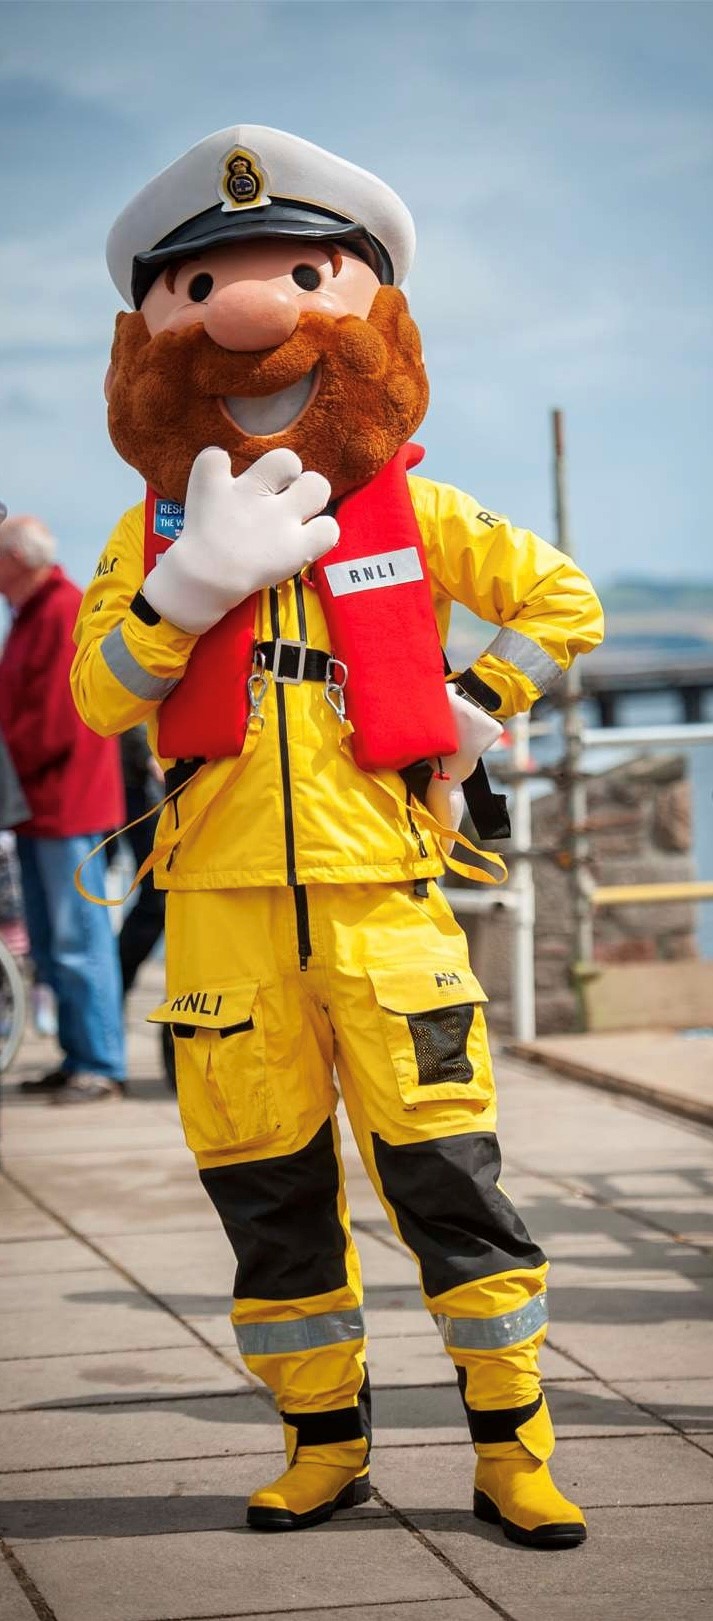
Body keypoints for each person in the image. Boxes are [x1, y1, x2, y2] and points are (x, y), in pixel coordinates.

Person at [71, 126, 604, 1542]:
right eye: (203, 292)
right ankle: (322, 1444)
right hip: (223, 911)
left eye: (303, 279)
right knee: (270, 1203)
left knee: (452, 1186)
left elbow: (562, 602)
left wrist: (473, 696)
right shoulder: (147, 534)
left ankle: (513, 1448)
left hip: (386, 902)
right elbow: (96, 687)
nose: (254, 322)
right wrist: (183, 593)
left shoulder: (417, 511)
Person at [0, 515, 126, 1099]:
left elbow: (57, 722)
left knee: (78, 939)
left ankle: (99, 1063)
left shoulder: (58, 610)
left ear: (16, 560)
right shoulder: (35, 612)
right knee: (55, 941)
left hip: (64, 803)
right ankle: (81, 1056)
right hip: (40, 804)